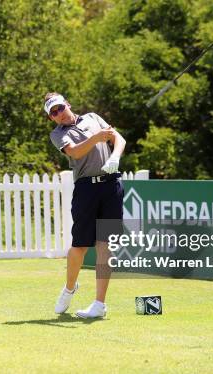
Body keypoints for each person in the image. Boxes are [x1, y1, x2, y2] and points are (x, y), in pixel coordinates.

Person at [45, 93, 126, 318]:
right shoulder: (58, 134)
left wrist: (115, 157)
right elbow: (75, 152)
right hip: (86, 190)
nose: (59, 114)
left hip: (111, 187)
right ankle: (70, 288)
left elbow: (119, 139)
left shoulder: (92, 117)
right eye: (53, 113)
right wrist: (98, 137)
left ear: (67, 104)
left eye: (60, 108)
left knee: (105, 244)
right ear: (51, 118)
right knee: (79, 246)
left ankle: (99, 304)